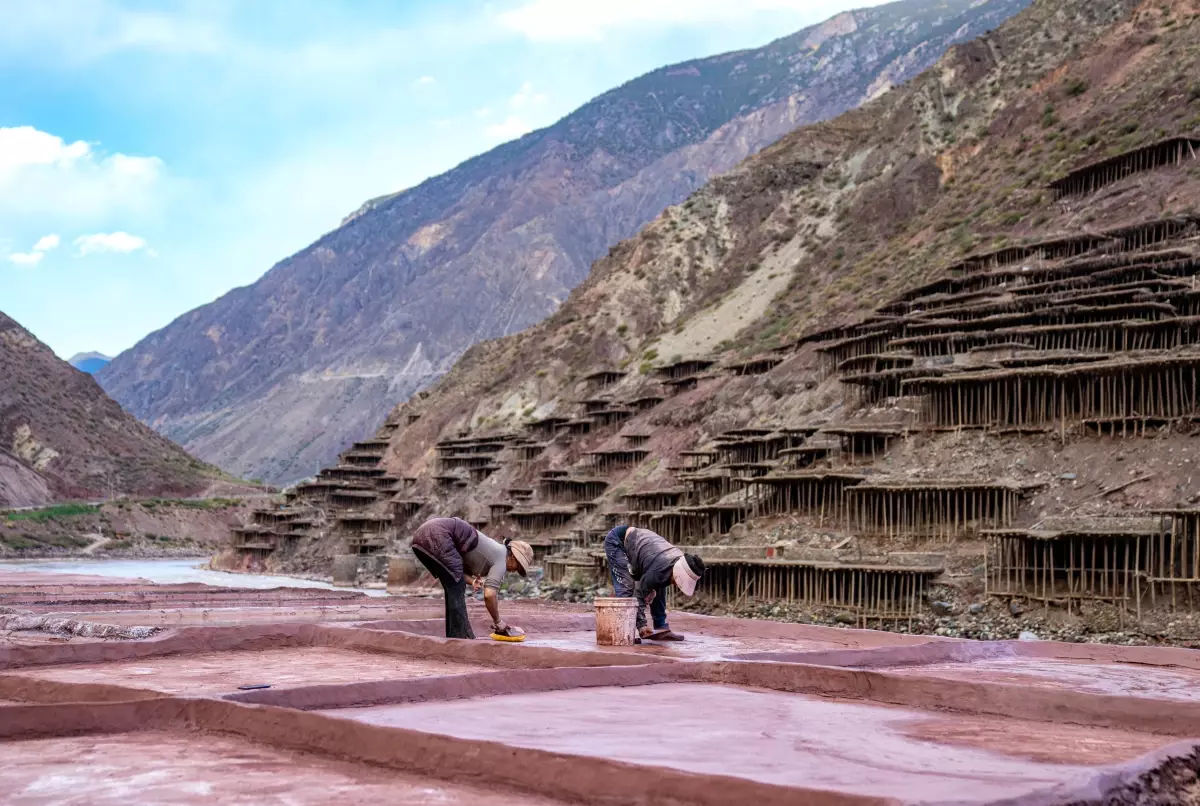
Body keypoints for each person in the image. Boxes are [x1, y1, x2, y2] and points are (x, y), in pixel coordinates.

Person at [410, 516, 534, 639]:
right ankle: (460, 637)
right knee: (456, 587)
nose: (514, 571)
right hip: (438, 534)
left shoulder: (495, 551)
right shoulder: (501, 559)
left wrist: (472, 581)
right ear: (512, 556)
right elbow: (489, 595)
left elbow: (454, 572)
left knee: (453, 585)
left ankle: (455, 636)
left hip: (422, 535)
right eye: (518, 566)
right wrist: (499, 622)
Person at [603, 524, 705, 642]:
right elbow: (639, 593)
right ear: (679, 573)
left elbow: (658, 582)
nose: (678, 585)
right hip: (618, 541)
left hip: (643, 548)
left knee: (660, 583)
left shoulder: (674, 562)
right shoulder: (660, 567)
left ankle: (661, 627)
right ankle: (624, 632)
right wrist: (642, 625)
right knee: (627, 587)